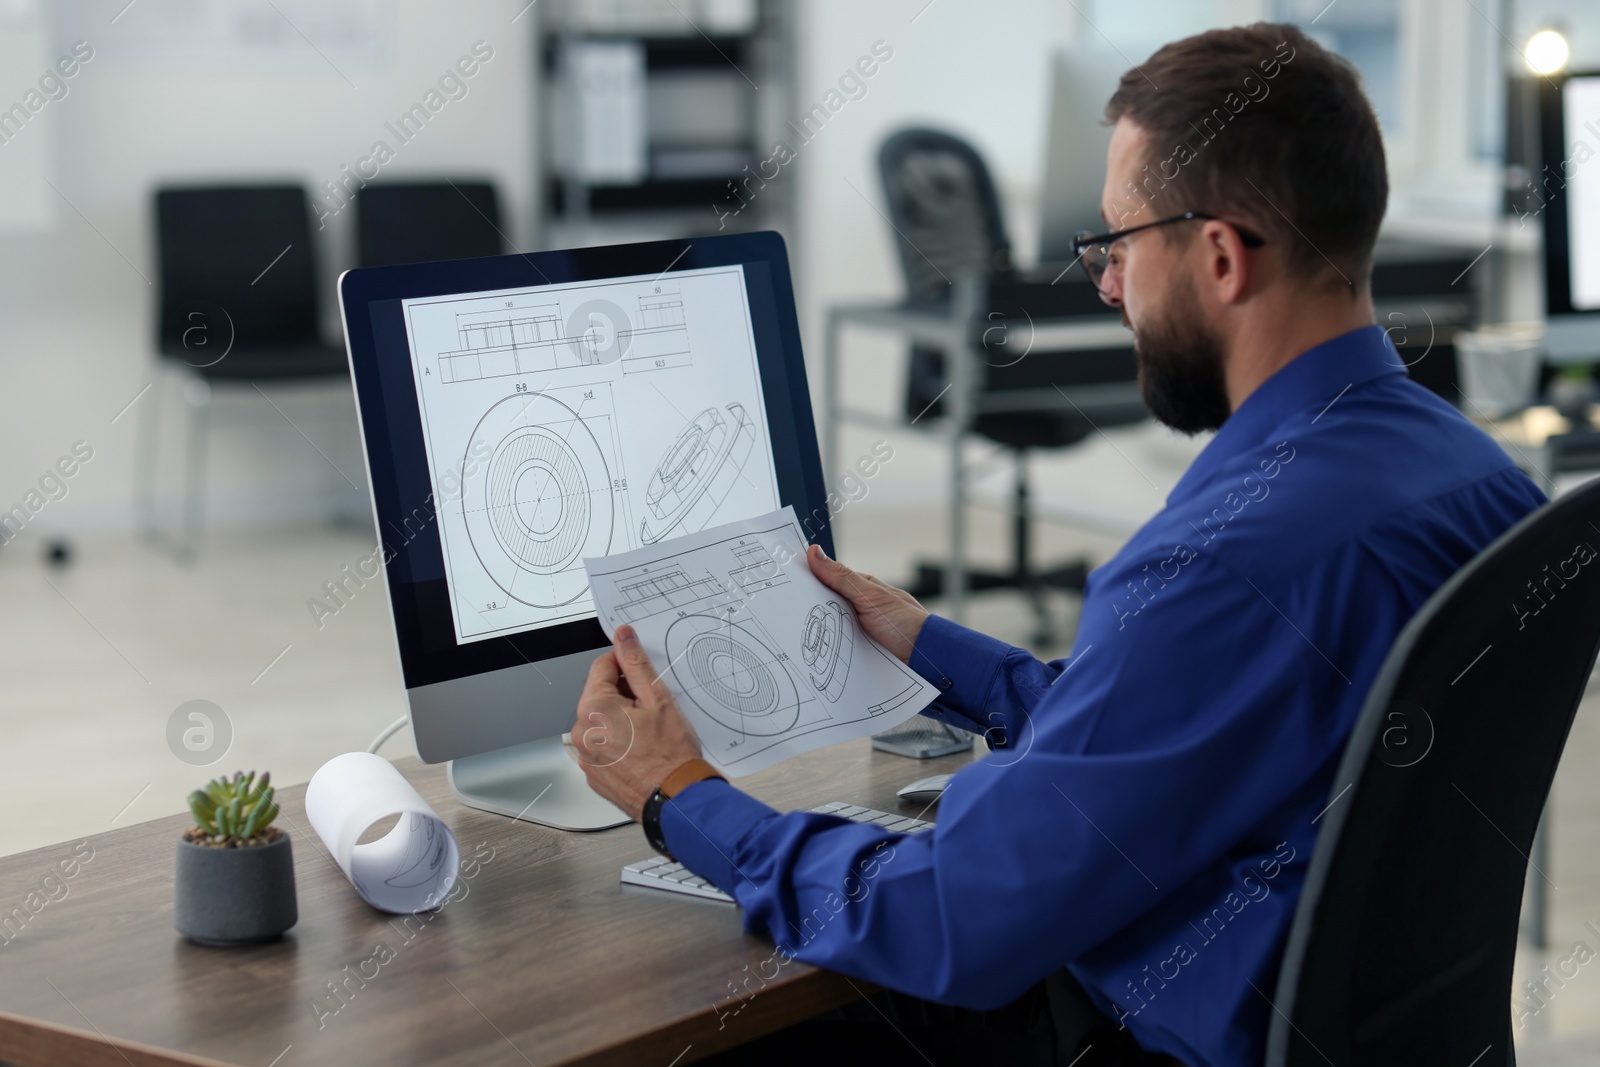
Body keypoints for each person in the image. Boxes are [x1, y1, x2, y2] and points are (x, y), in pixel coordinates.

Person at [570, 22, 1545, 1067]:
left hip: (1143, 1043)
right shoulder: (1480, 482)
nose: (1107, 284)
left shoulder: (1222, 562)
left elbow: (948, 922)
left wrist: (683, 798)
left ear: (1217, 255)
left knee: (710, 1018)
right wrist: (932, 648)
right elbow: (1183, 732)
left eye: (1118, 242)